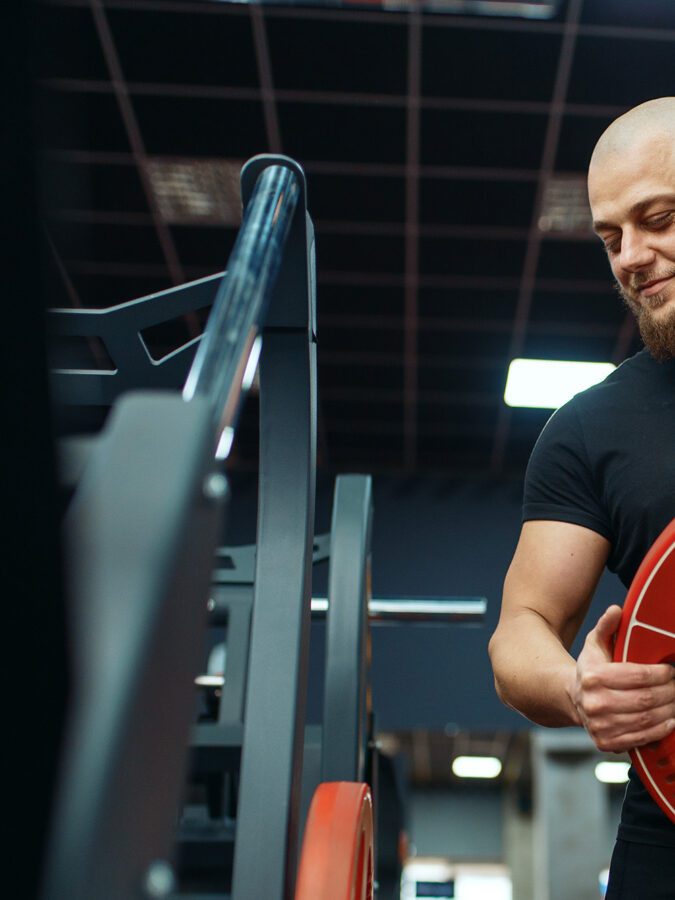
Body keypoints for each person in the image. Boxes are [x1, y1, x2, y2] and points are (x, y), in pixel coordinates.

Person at [488, 96, 675, 899]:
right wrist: (578, 688)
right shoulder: (592, 425)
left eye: (657, 218)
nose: (629, 256)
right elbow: (520, 631)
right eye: (609, 237)